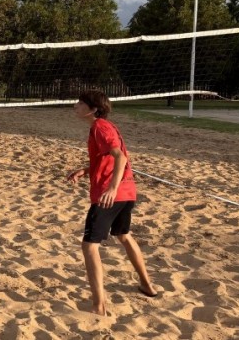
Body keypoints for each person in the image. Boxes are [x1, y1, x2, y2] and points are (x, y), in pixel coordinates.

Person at [65, 90, 157, 316]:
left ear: (93, 109)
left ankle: (99, 307)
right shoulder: (102, 127)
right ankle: (147, 285)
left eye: (80, 102)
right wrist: (87, 170)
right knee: (124, 236)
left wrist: (111, 188)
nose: (75, 105)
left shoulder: (100, 127)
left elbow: (120, 157)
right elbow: (108, 159)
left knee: (89, 246)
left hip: (111, 195)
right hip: (127, 192)